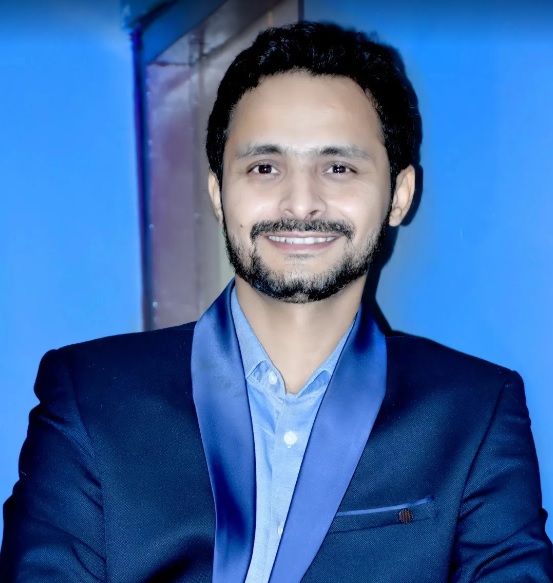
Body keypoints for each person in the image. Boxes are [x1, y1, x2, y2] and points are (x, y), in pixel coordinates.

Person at [1, 20, 552, 583]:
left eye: (338, 168)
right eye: (265, 168)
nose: (301, 203)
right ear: (219, 192)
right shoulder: (89, 395)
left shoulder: (475, 411)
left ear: (399, 194)